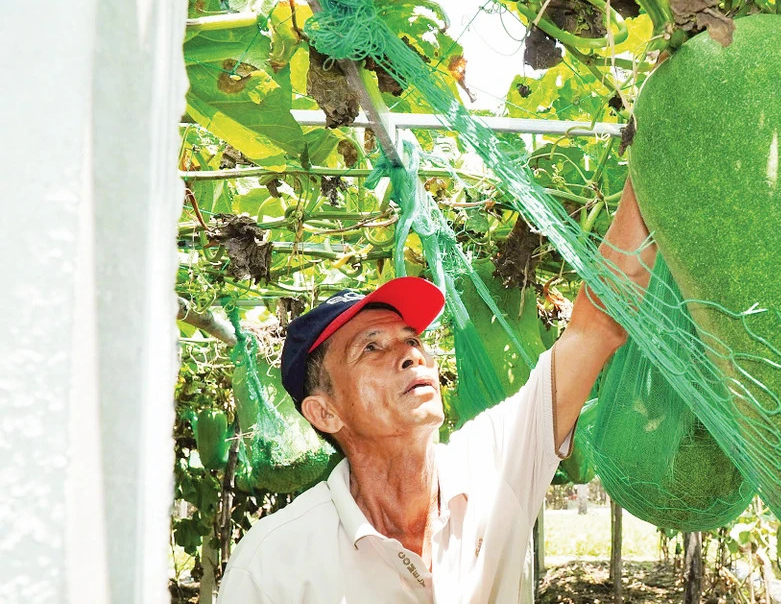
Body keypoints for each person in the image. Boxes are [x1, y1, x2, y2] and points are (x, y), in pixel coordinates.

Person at [217, 180, 655, 603]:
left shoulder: (495, 462)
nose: (411, 355)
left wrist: (650, 154)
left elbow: (596, 327)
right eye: (371, 347)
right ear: (325, 413)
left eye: (412, 339)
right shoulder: (272, 566)